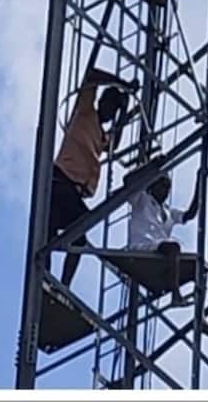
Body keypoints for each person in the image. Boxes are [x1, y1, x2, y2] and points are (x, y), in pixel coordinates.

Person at [49, 67, 137, 287]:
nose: (110, 114)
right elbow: (91, 75)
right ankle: (51, 280)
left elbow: (114, 144)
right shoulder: (85, 110)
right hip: (61, 180)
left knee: (66, 236)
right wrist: (122, 84)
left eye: (113, 111)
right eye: (109, 107)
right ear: (101, 102)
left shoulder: (100, 133)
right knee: (74, 232)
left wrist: (123, 113)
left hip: (73, 191)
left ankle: (58, 285)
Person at [127, 171, 208, 337]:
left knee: (202, 266)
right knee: (173, 246)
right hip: (142, 248)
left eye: (168, 186)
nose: (165, 190)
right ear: (152, 185)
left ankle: (200, 316)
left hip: (161, 252)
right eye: (162, 184)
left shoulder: (168, 211)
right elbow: (127, 181)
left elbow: (190, 214)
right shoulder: (141, 199)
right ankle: (176, 295)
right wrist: (150, 169)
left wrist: (200, 182)